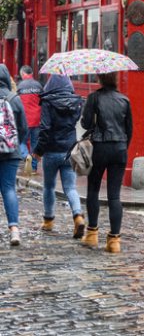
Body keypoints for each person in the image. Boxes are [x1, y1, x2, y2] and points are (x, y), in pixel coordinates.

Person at [81, 72, 133, 253]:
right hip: (119, 149)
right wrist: (122, 147)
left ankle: (92, 234)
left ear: (100, 79)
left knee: (93, 190)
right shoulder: (124, 100)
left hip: (100, 148)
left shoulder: (94, 98)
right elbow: (129, 129)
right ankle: (114, 241)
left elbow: (86, 124)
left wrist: (88, 112)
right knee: (114, 196)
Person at [34, 75, 85, 238]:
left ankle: (48, 221)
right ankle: (78, 216)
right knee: (70, 187)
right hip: (69, 150)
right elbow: (76, 122)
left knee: (49, 186)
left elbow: (45, 128)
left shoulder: (48, 103)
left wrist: (38, 151)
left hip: (51, 151)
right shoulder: (76, 102)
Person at [0, 64, 28, 246]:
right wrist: (16, 144)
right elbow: (23, 128)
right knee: (9, 188)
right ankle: (15, 230)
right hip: (11, 152)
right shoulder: (14, 98)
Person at [17, 65, 43, 175]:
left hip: (25, 119)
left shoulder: (20, 86)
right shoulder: (38, 85)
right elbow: (43, 101)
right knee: (35, 143)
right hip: (37, 119)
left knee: (21, 141)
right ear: (31, 73)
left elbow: (17, 103)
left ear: (23, 74)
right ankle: (33, 168)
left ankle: (26, 155)